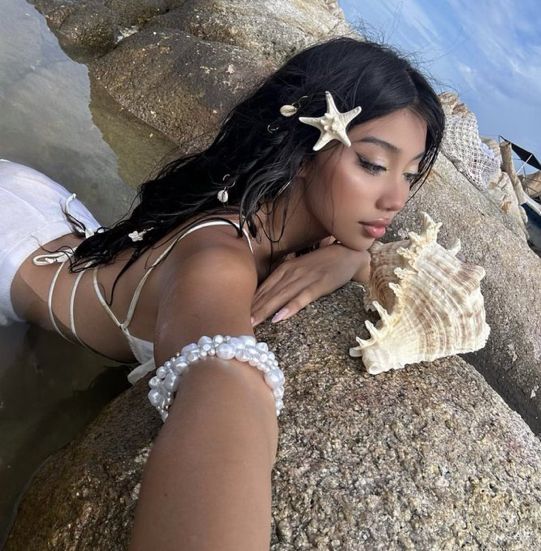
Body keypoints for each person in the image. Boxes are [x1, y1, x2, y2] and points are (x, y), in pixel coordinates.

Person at [0, 37, 444, 549]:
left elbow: (371, 255)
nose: (396, 199)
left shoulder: (284, 216)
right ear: (303, 151)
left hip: (58, 213)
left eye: (409, 175)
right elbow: (225, 389)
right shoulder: (216, 258)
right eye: (372, 164)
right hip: (13, 250)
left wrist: (349, 256)